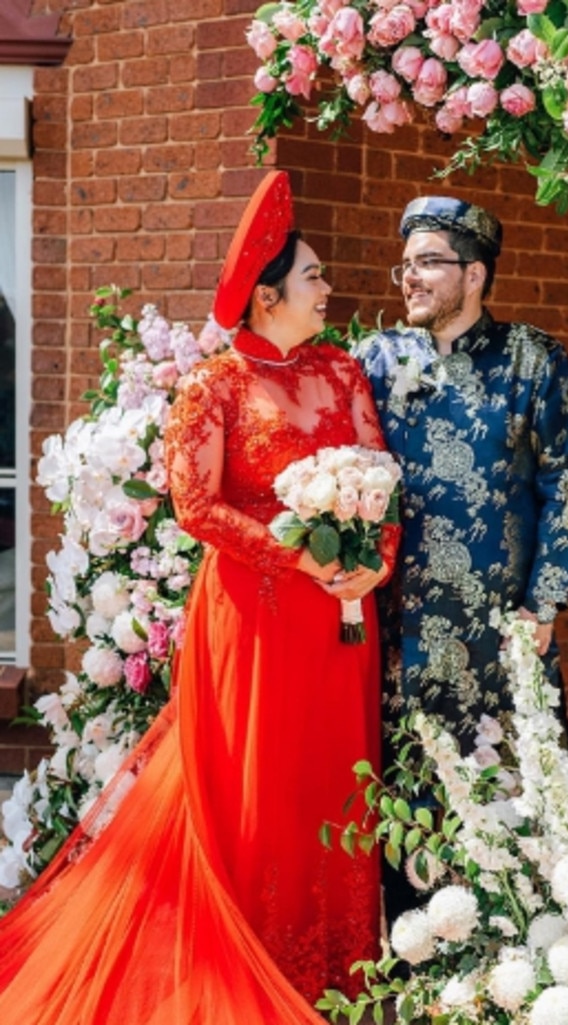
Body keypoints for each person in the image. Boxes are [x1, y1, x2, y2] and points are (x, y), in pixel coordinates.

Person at [0, 170, 397, 1024]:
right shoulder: (214, 385)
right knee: (256, 790)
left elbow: (383, 481)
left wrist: (377, 561)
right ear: (266, 298)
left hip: (339, 620)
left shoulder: (345, 372)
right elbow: (197, 505)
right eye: (315, 277)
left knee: (333, 783)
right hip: (252, 618)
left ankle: (335, 975)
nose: (330, 289)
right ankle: (247, 962)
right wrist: (294, 554)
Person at [357, 194, 568, 760]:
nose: (411, 277)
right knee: (400, 800)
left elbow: (566, 481)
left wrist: (545, 604)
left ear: (474, 273)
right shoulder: (374, 360)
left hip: (499, 626)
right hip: (395, 628)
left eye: (428, 262)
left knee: (510, 801)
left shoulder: (532, 360)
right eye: (406, 264)